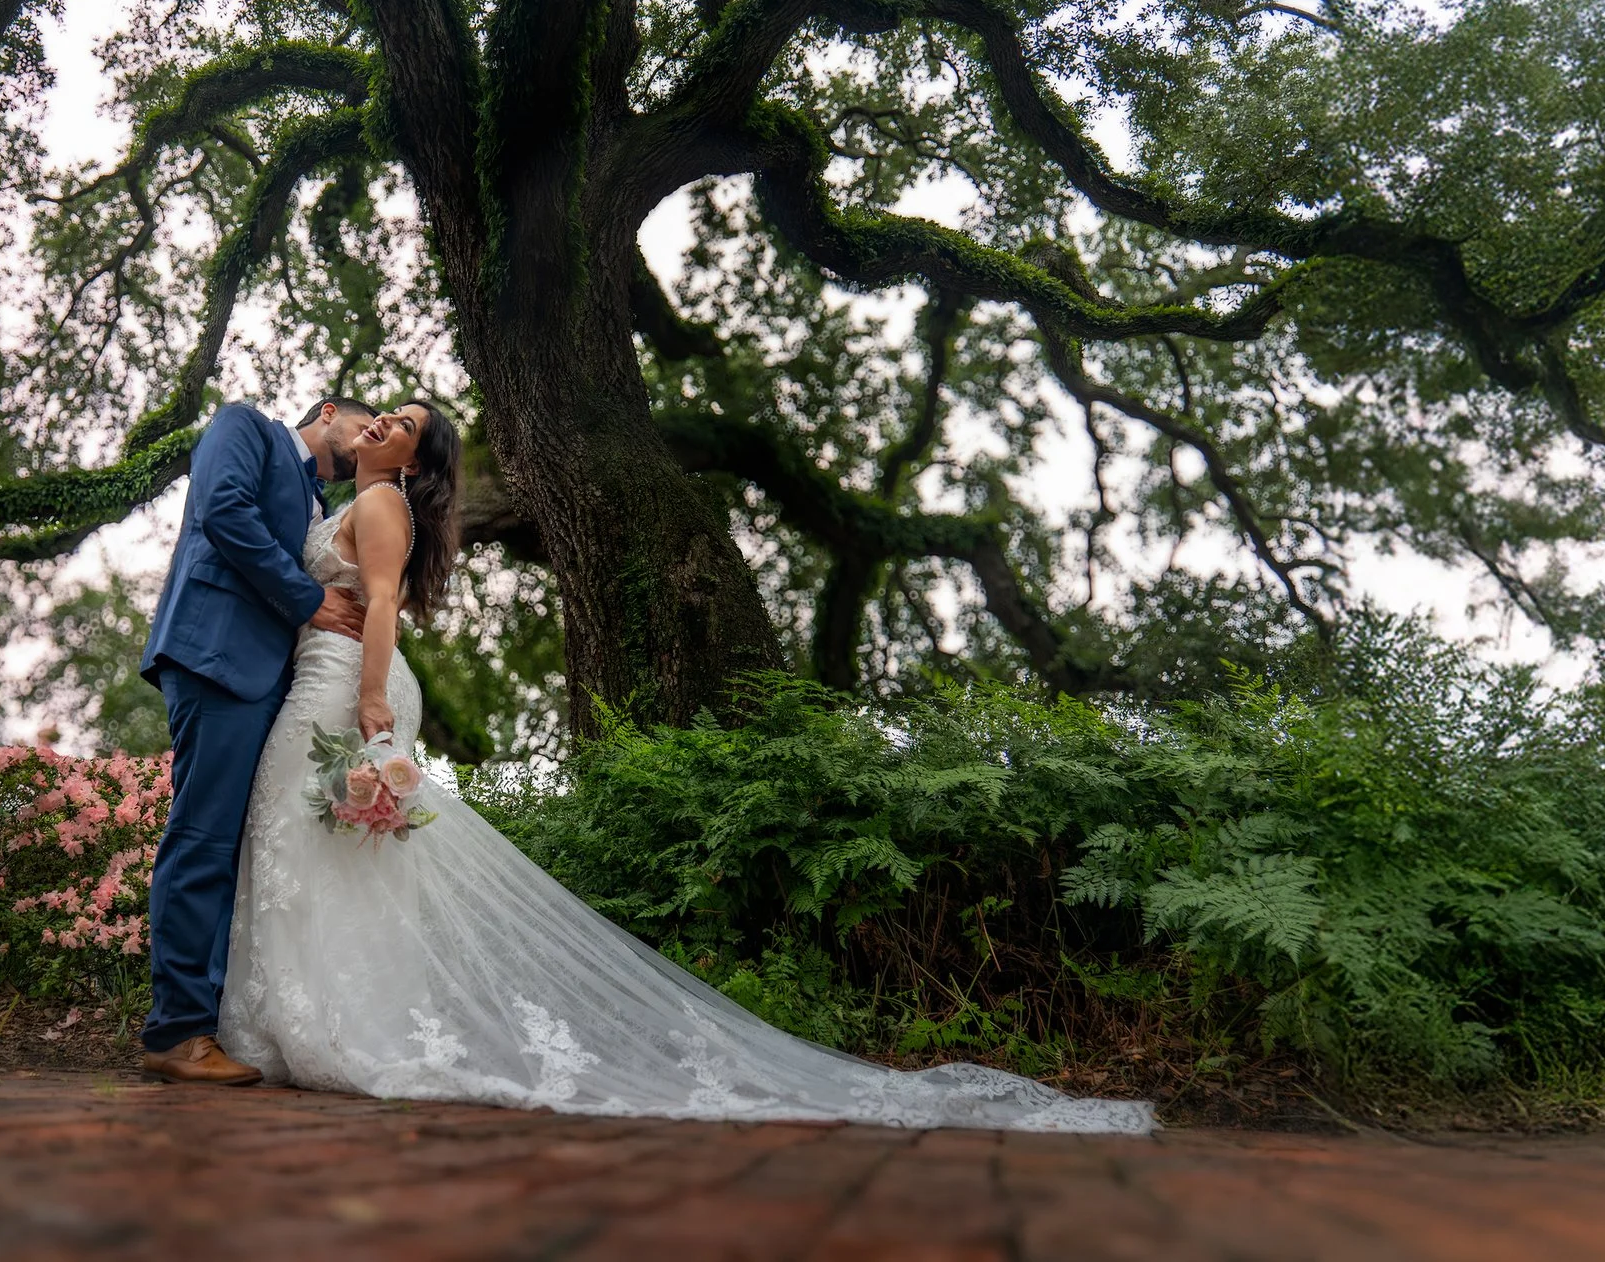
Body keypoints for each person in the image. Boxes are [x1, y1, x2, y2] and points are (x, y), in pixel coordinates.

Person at [209, 397, 1154, 1132]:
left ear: (414, 463)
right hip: (329, 675)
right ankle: (315, 1017)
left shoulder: (377, 502)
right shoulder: (349, 496)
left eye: (407, 428)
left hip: (347, 685)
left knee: (309, 837)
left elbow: (380, 603)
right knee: (316, 847)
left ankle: (336, 1026)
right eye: (387, 413)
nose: (385, 424)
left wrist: (373, 702)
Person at [136, 396, 378, 1084]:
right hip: (216, 656)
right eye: (365, 428)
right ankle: (177, 1033)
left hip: (274, 679)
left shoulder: (317, 497)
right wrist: (309, 600)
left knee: (240, 849)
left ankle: (214, 1021)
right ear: (328, 411)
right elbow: (224, 512)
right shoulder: (246, 428)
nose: (367, 444)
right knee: (205, 838)